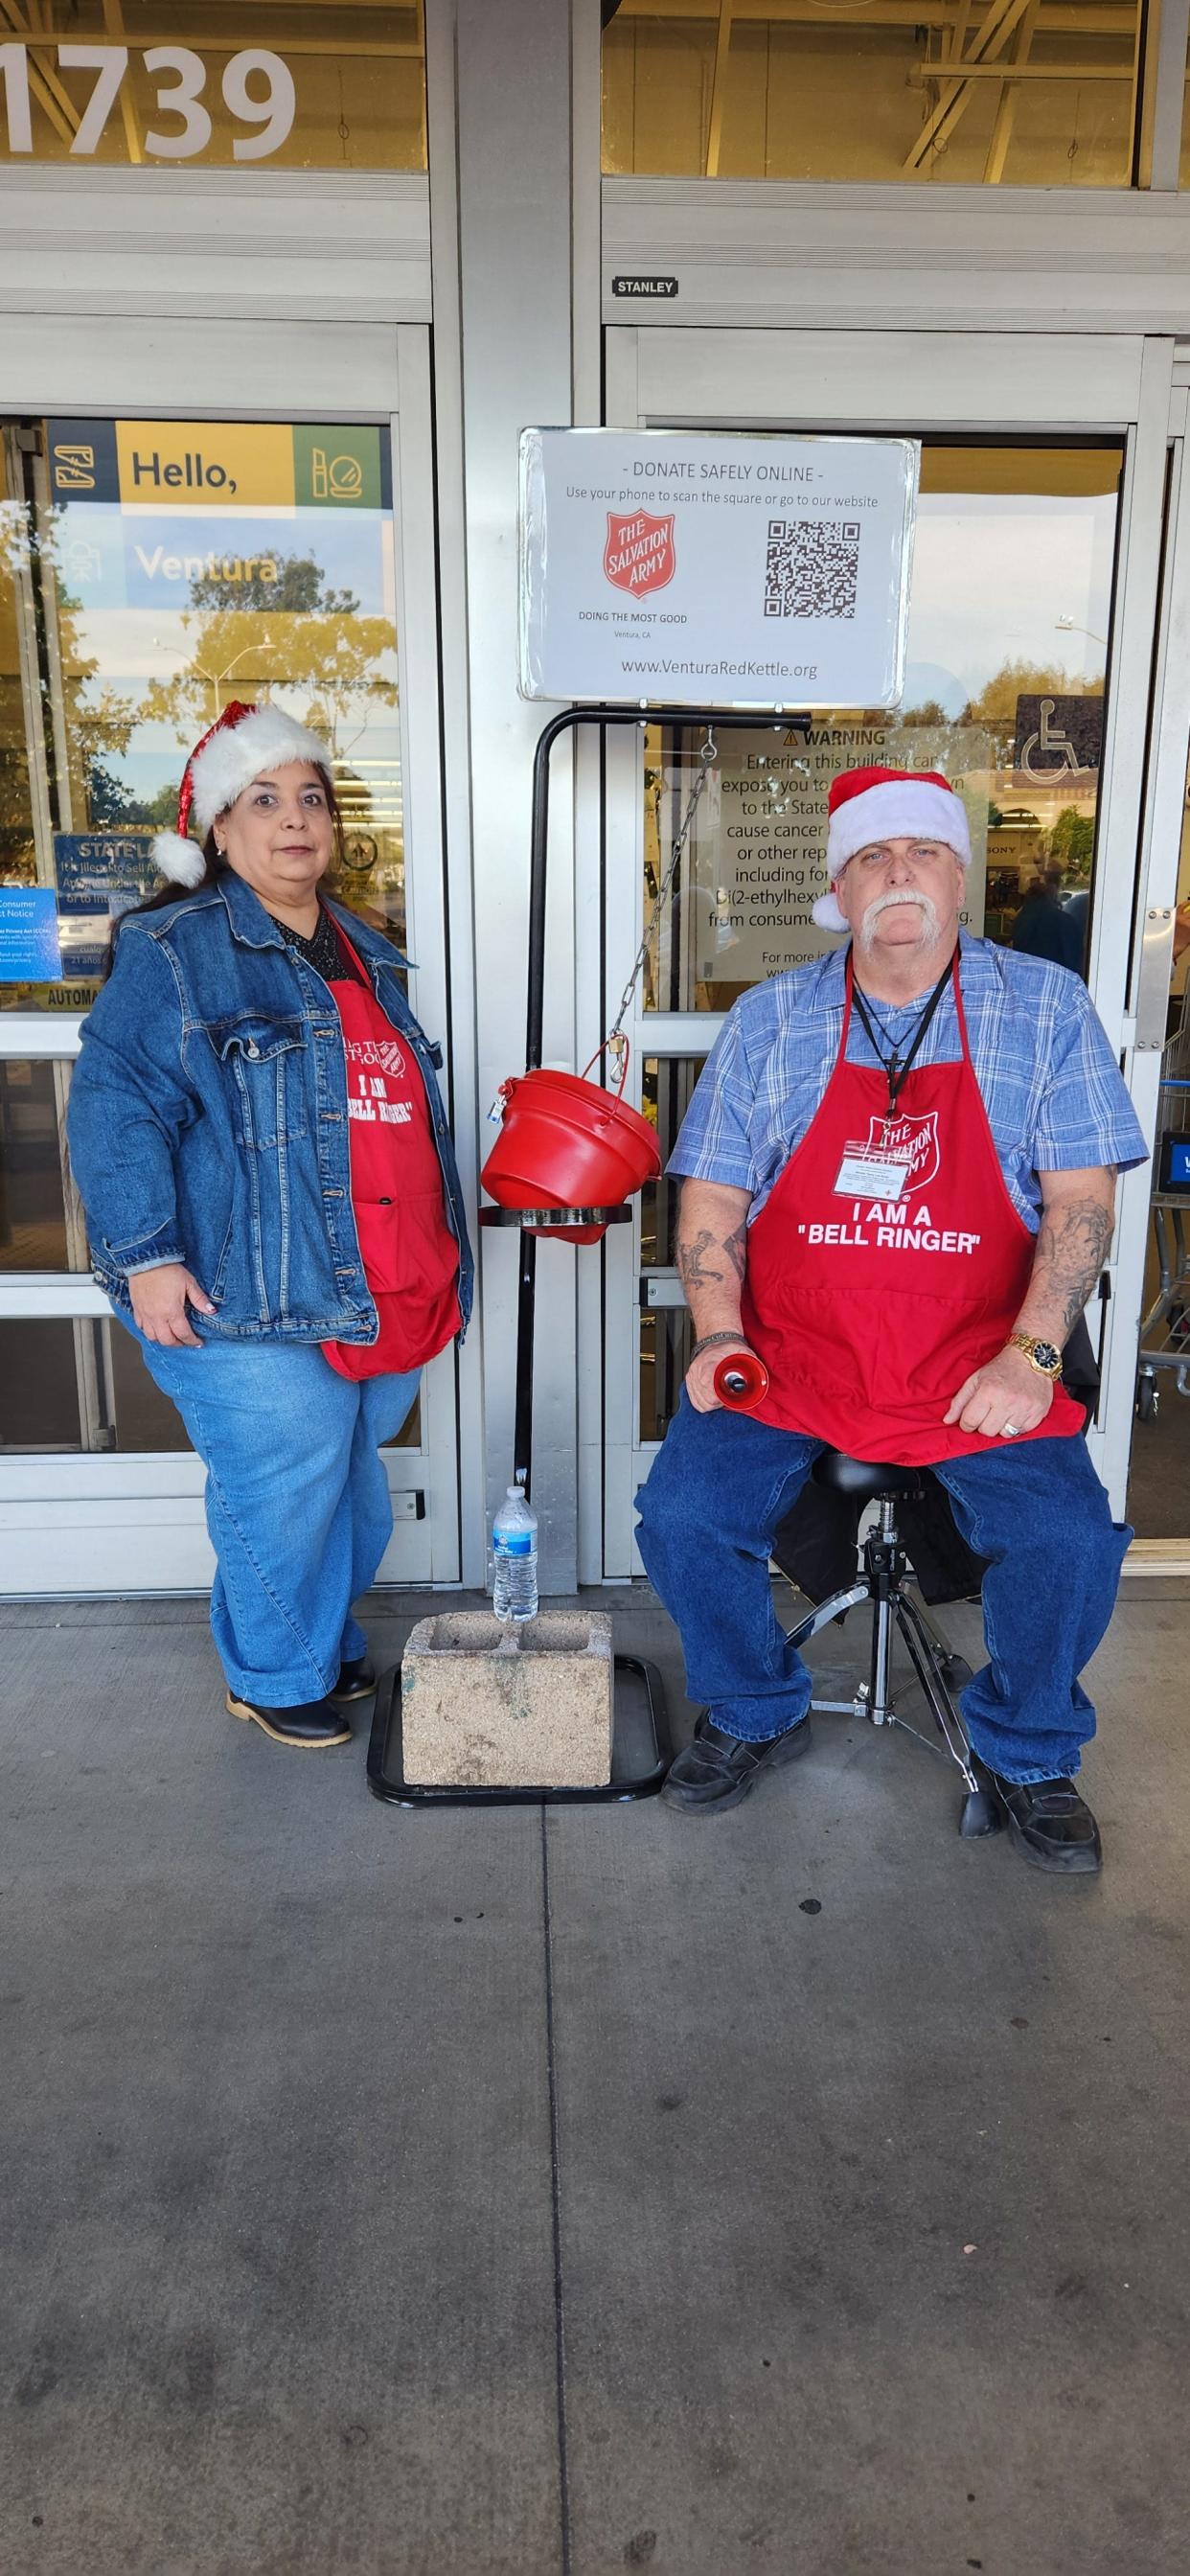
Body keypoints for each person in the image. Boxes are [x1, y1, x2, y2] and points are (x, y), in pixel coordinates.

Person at [636, 764, 1148, 1873]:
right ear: (838, 886)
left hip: (978, 1360)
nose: (898, 873)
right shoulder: (773, 1019)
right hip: (795, 1357)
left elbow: (1082, 1206)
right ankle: (753, 1705)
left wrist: (1032, 1354)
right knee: (681, 1516)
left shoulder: (1043, 1008)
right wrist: (722, 1334)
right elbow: (714, 1197)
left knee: (1067, 1541)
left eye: (922, 852)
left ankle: (1025, 1748)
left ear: (961, 877)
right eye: (873, 855)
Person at [67, 701, 472, 1750]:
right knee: (286, 1480)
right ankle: (274, 1672)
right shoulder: (174, 949)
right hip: (246, 1282)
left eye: (310, 799)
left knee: (352, 1484)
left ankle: (321, 1638)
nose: (294, 820)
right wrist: (147, 1256)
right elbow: (115, 1105)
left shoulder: (369, 955)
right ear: (217, 829)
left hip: (377, 1279)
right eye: (264, 800)